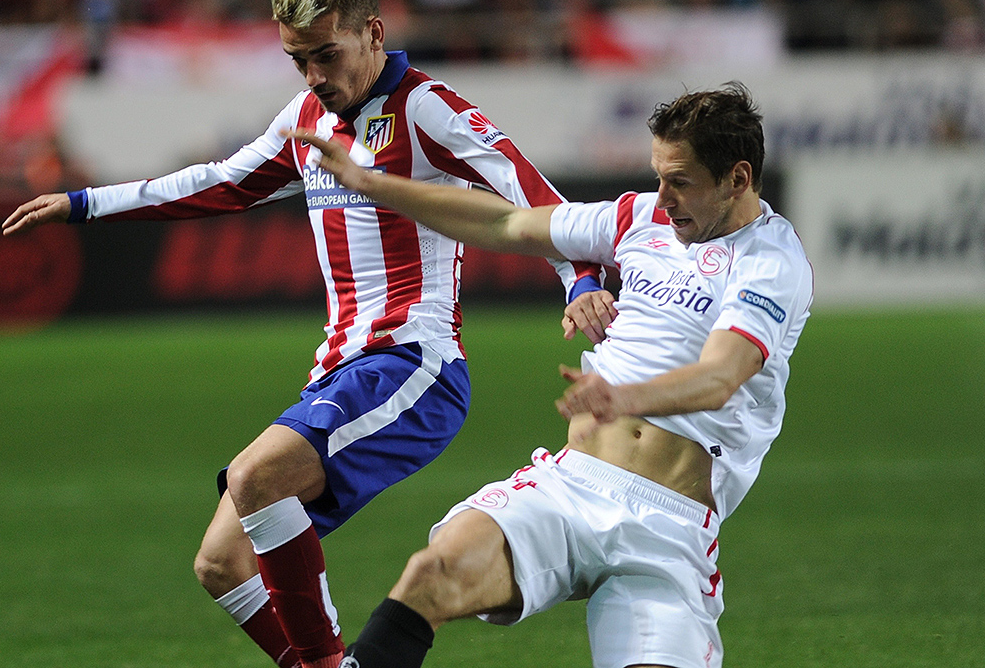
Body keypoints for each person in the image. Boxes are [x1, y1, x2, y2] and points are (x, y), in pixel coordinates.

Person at [0, 0, 614, 667]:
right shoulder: (306, 120)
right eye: (300, 60)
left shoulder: (425, 109)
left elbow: (526, 188)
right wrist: (83, 203)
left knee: (257, 475)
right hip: (338, 372)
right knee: (221, 563)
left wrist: (580, 279)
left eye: (327, 54)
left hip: (415, 365)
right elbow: (214, 182)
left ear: (373, 34)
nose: (316, 77)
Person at [291, 82, 812, 668]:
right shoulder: (638, 219)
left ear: (738, 179)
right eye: (659, 176)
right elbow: (506, 226)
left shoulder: (773, 261)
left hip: (667, 530)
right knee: (431, 573)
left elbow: (720, 376)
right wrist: (370, 183)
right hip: (570, 487)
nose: (662, 197)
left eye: (680, 181)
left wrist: (622, 396)